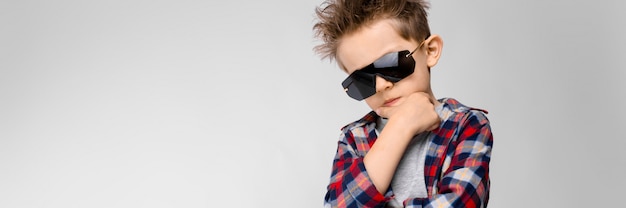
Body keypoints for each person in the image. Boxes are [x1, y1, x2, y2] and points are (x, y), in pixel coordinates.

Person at [312, 0, 494, 207]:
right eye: (363, 79)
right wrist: (401, 126)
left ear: (431, 50)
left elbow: (462, 203)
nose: (381, 86)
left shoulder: (466, 125)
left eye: (391, 64)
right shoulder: (354, 138)